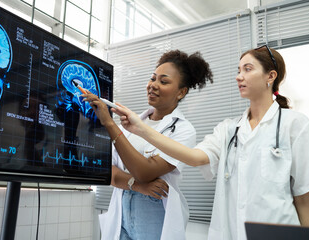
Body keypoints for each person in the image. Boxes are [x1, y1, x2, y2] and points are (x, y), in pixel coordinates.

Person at [113, 45, 309, 240]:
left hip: (280, 233)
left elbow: (306, 200)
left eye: (247, 69)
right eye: (238, 70)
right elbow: (194, 157)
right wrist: (141, 129)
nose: (239, 76)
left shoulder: (295, 125)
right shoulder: (229, 129)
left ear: (270, 76)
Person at [82, 50, 213, 240]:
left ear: (181, 92)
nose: (153, 85)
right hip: (121, 211)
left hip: (155, 216)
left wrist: (109, 123)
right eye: (153, 78)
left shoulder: (183, 130)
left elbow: (144, 172)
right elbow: (107, 172)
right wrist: (137, 185)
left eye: (164, 81)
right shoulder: (129, 125)